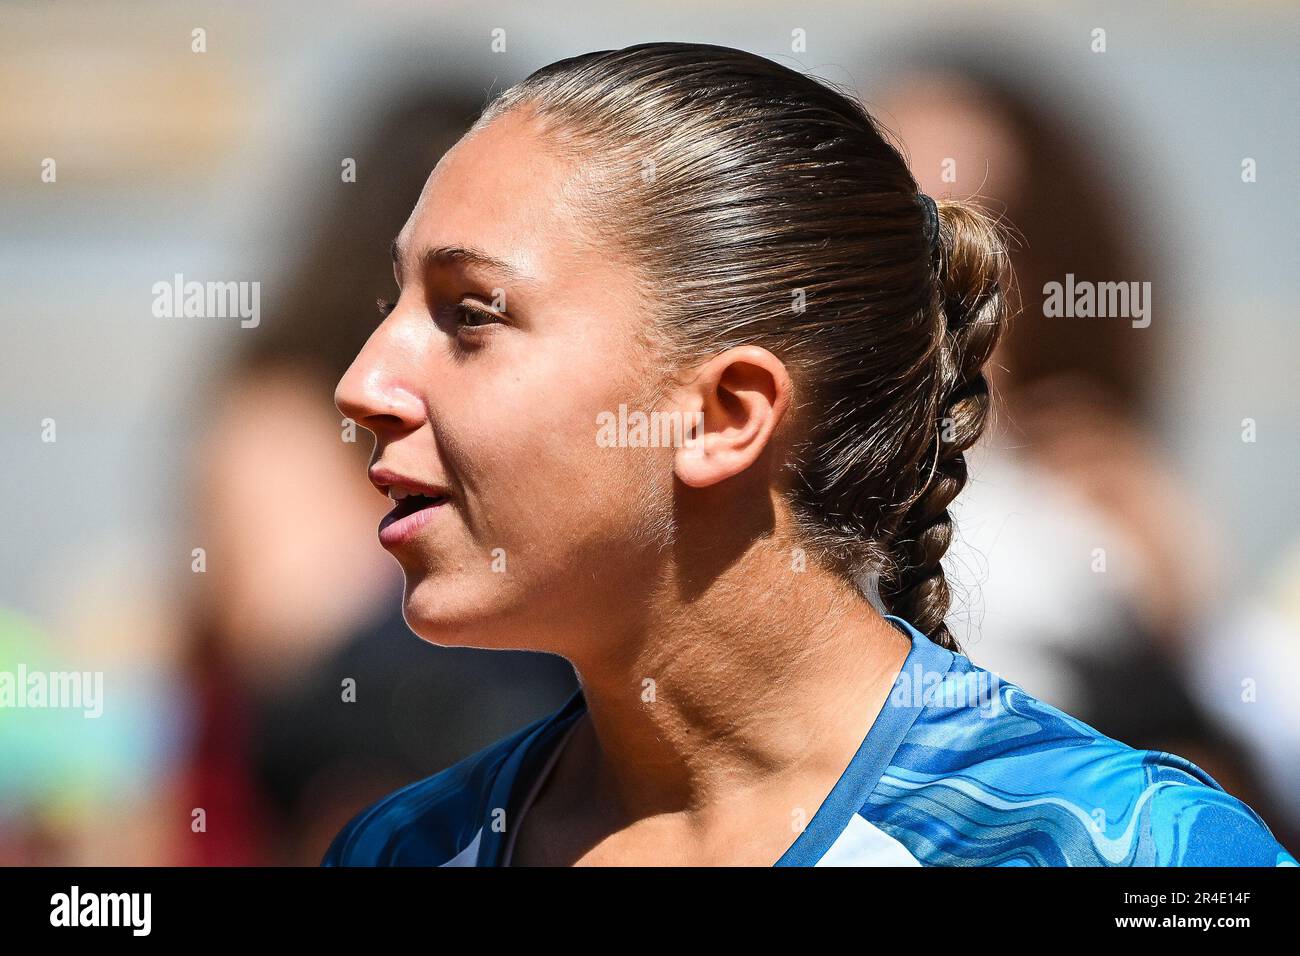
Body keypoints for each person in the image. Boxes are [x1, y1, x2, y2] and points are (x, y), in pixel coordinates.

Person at [322, 42, 1295, 866]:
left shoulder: (1121, 846)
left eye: (470, 316)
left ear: (726, 413)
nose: (363, 383)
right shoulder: (405, 845)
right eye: (391, 305)